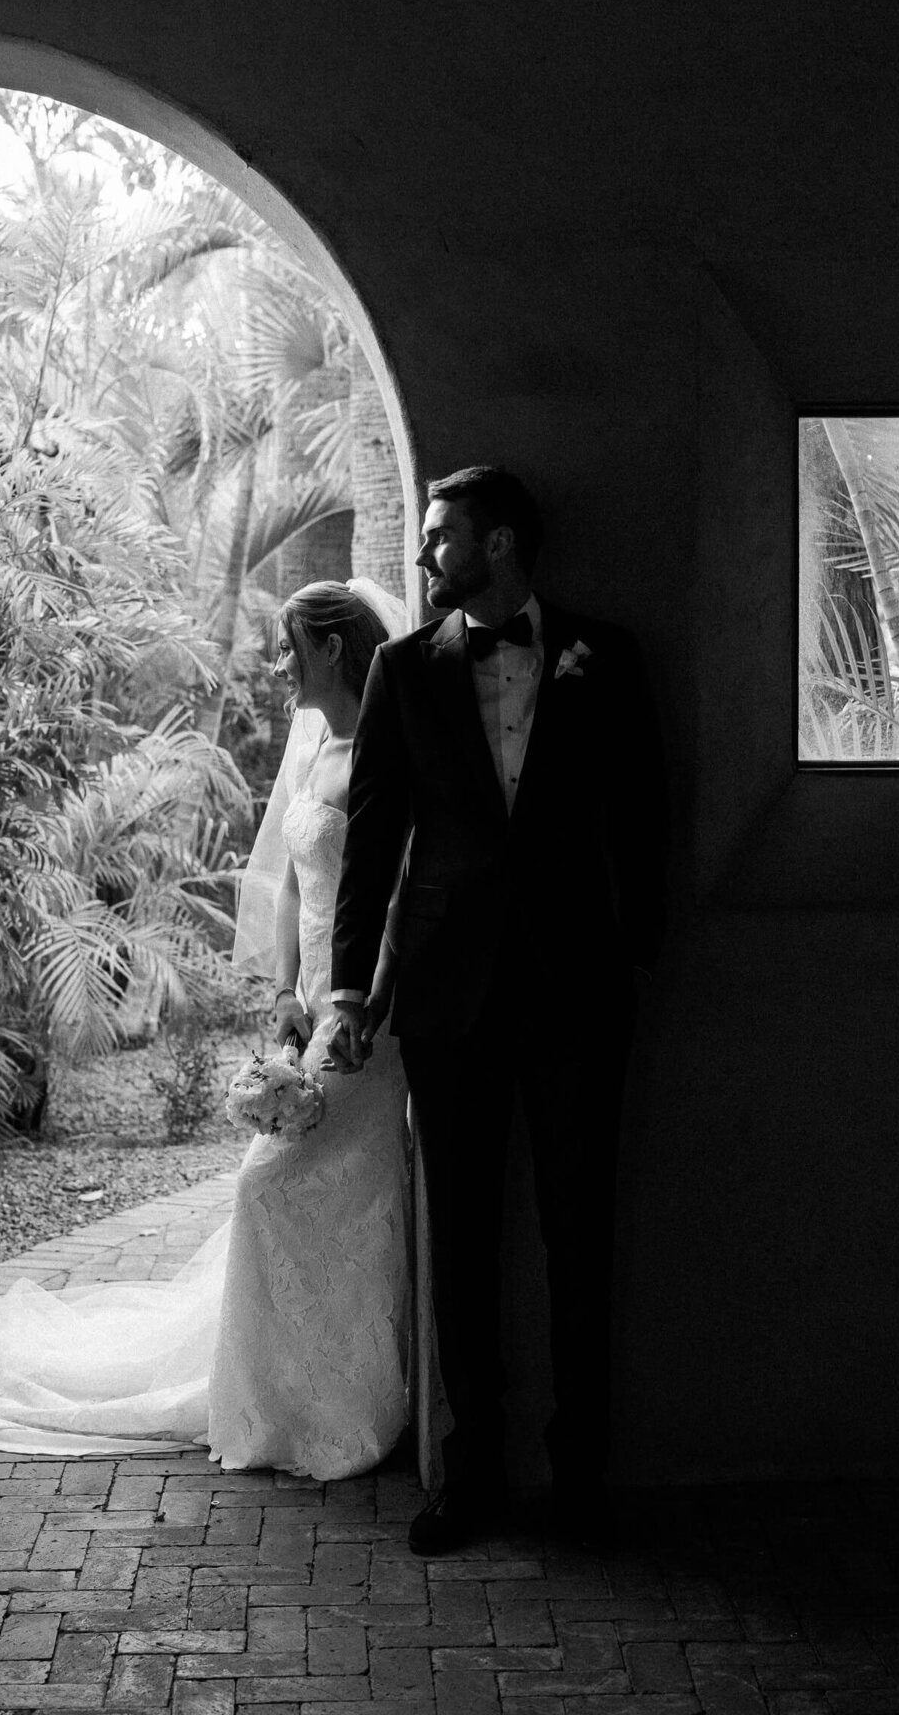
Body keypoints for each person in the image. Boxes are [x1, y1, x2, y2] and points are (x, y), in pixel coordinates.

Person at [0, 580, 413, 1481]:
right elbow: (288, 889)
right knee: (296, 1196)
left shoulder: (390, 756)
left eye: (290, 651)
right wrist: (284, 996)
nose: (279, 668)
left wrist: (361, 1004)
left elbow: (392, 904)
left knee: (282, 1192)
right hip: (310, 1007)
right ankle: (288, 1391)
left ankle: (335, 1397)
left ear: (335, 652)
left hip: (366, 1022)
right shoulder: (312, 751)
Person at [330, 467, 667, 1553]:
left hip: (578, 996)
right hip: (448, 999)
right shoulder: (400, 670)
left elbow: (646, 816)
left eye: (443, 538)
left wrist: (635, 959)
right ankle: (469, 1476)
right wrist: (348, 989)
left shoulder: (602, 655)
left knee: (581, 1240)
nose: (427, 558)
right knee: (462, 1240)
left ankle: (581, 1481)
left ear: (504, 545)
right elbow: (372, 841)